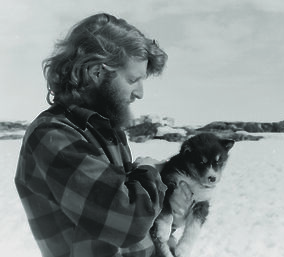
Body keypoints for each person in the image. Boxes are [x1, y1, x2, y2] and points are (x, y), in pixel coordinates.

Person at [15, 13, 193, 257]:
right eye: (133, 80)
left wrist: (172, 211)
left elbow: (136, 228)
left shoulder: (106, 130)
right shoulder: (52, 135)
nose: (140, 93)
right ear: (97, 72)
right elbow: (128, 221)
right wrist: (150, 173)